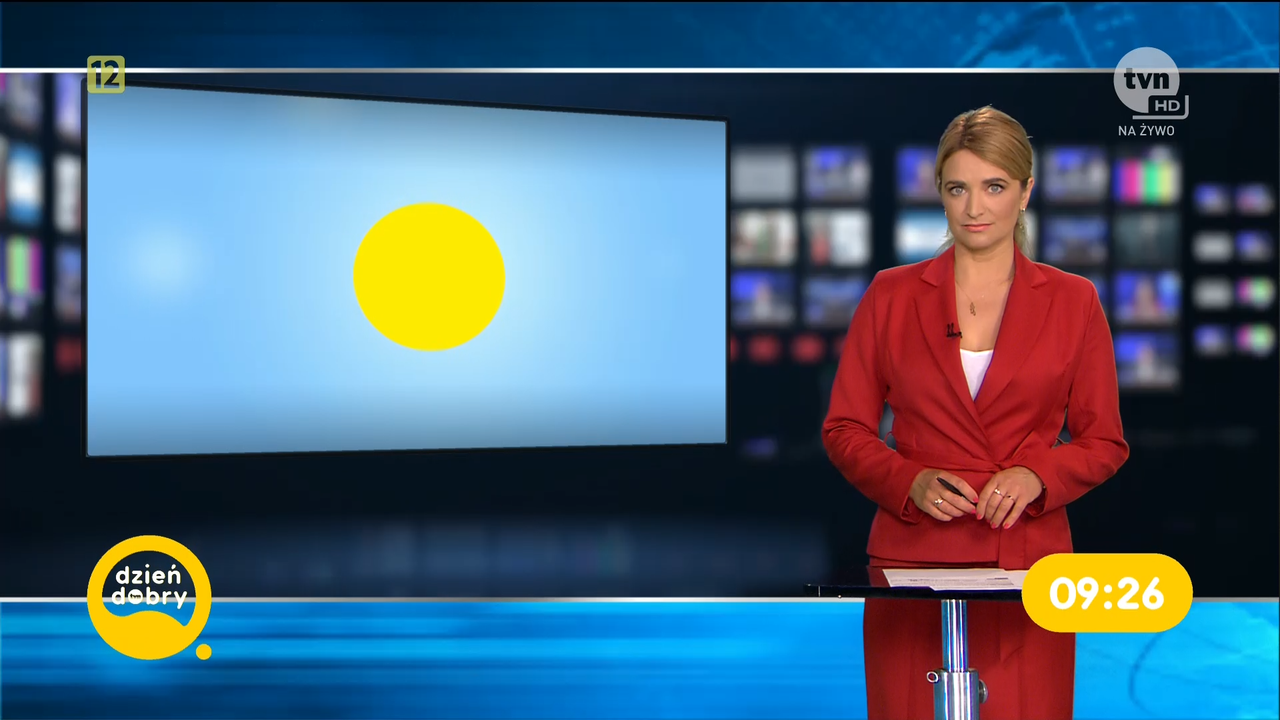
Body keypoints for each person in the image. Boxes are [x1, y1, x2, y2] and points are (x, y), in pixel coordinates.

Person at [822, 106, 1129, 720]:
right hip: (913, 562)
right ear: (939, 192)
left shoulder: (1074, 301)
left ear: (1025, 192)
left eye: (994, 186)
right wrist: (908, 481)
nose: (974, 208)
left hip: (1028, 566)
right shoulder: (890, 295)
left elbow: (1105, 442)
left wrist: (1038, 475)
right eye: (957, 188)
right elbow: (845, 428)